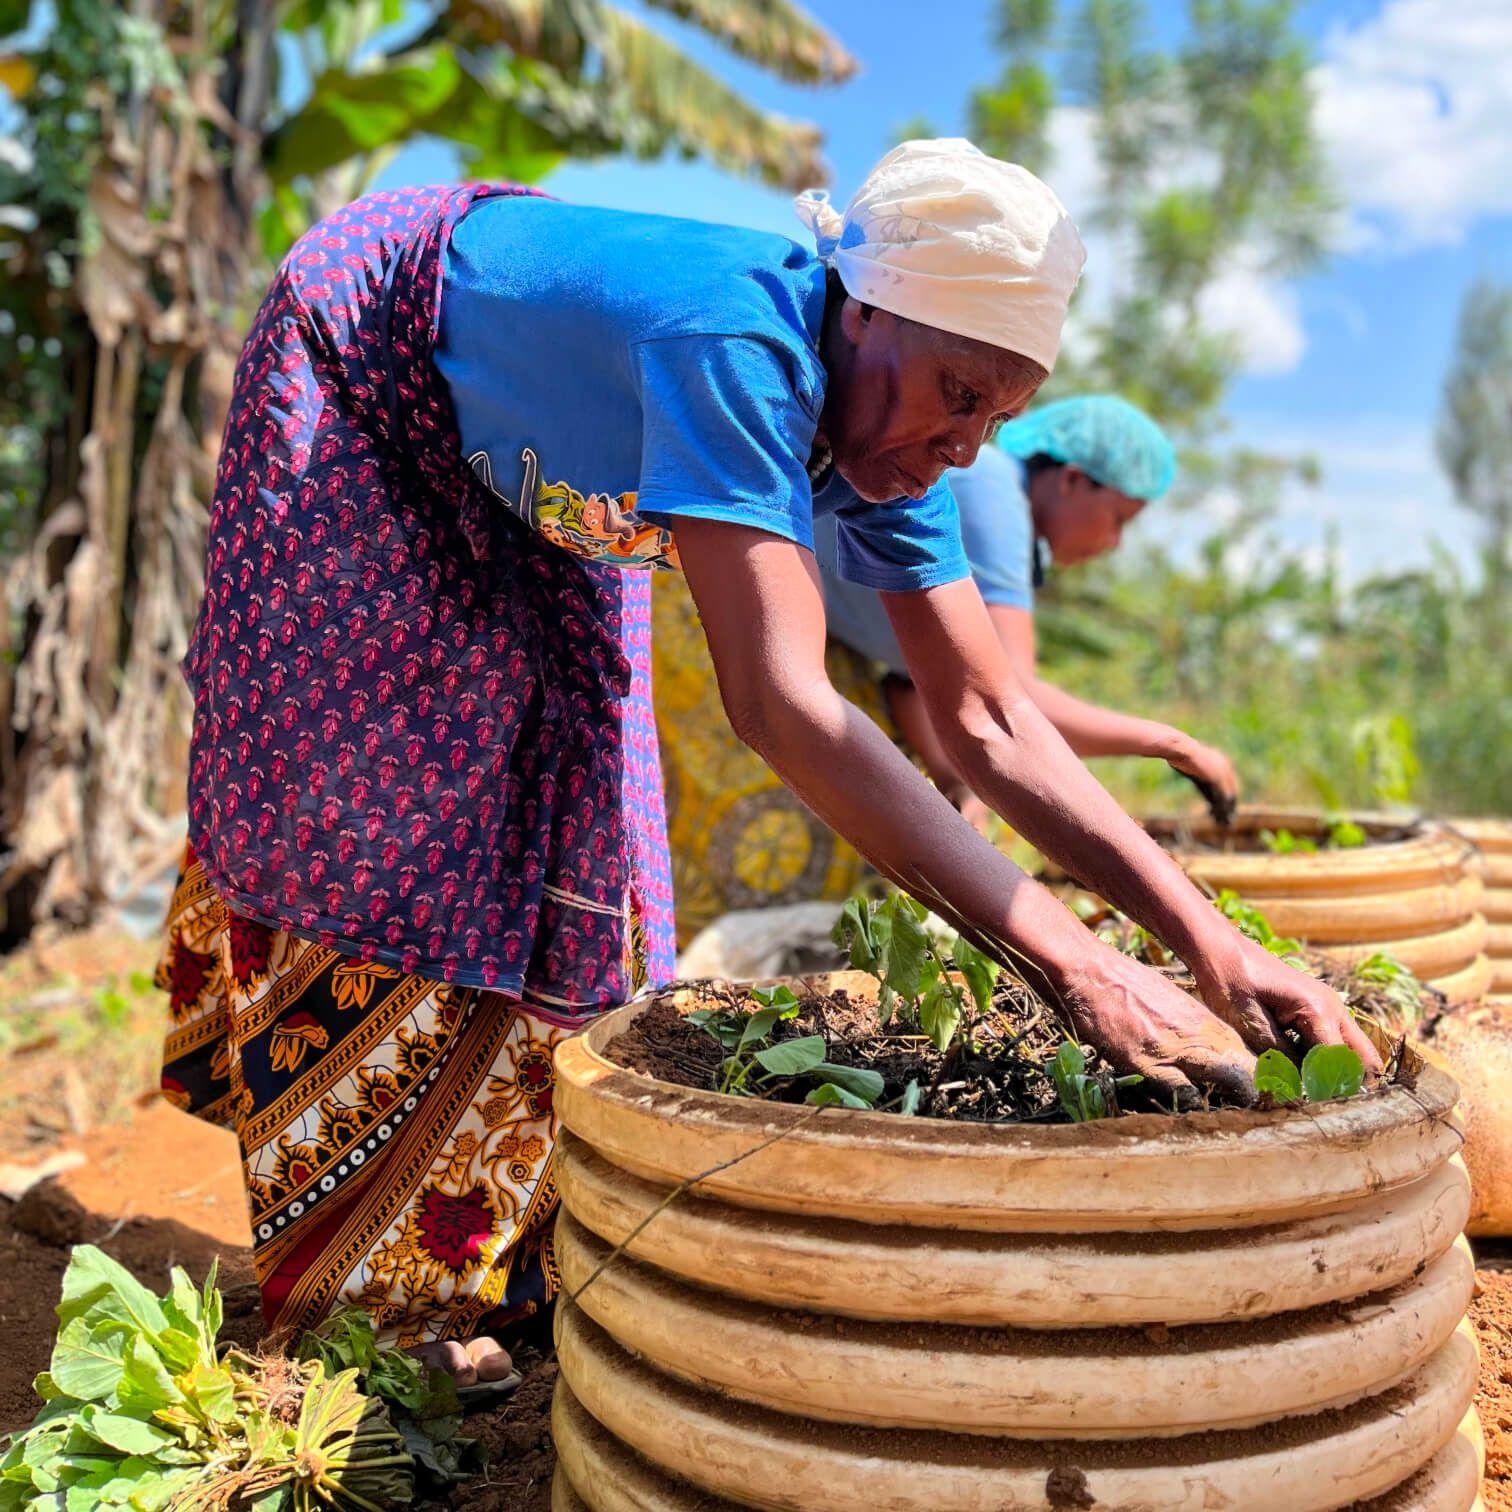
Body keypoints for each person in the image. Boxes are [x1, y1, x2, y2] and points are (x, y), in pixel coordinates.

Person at [156, 139, 1374, 1392]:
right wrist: (1079, 968)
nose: (964, 447)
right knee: (386, 800)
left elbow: (991, 720)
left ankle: (510, 1248)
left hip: (537, 459)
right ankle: (369, 1314)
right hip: (367, 365)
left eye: (998, 418)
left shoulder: (903, 432)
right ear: (861, 316)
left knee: (586, 805)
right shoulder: (736, 346)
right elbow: (785, 707)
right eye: (959, 393)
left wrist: (1208, 944)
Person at [817, 395, 1239, 831]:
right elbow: (1012, 697)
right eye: (1118, 519)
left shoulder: (1002, 518)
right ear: (1072, 480)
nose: (1114, 543)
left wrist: (954, 781)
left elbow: (913, 683)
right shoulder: (993, 490)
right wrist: (1173, 744)